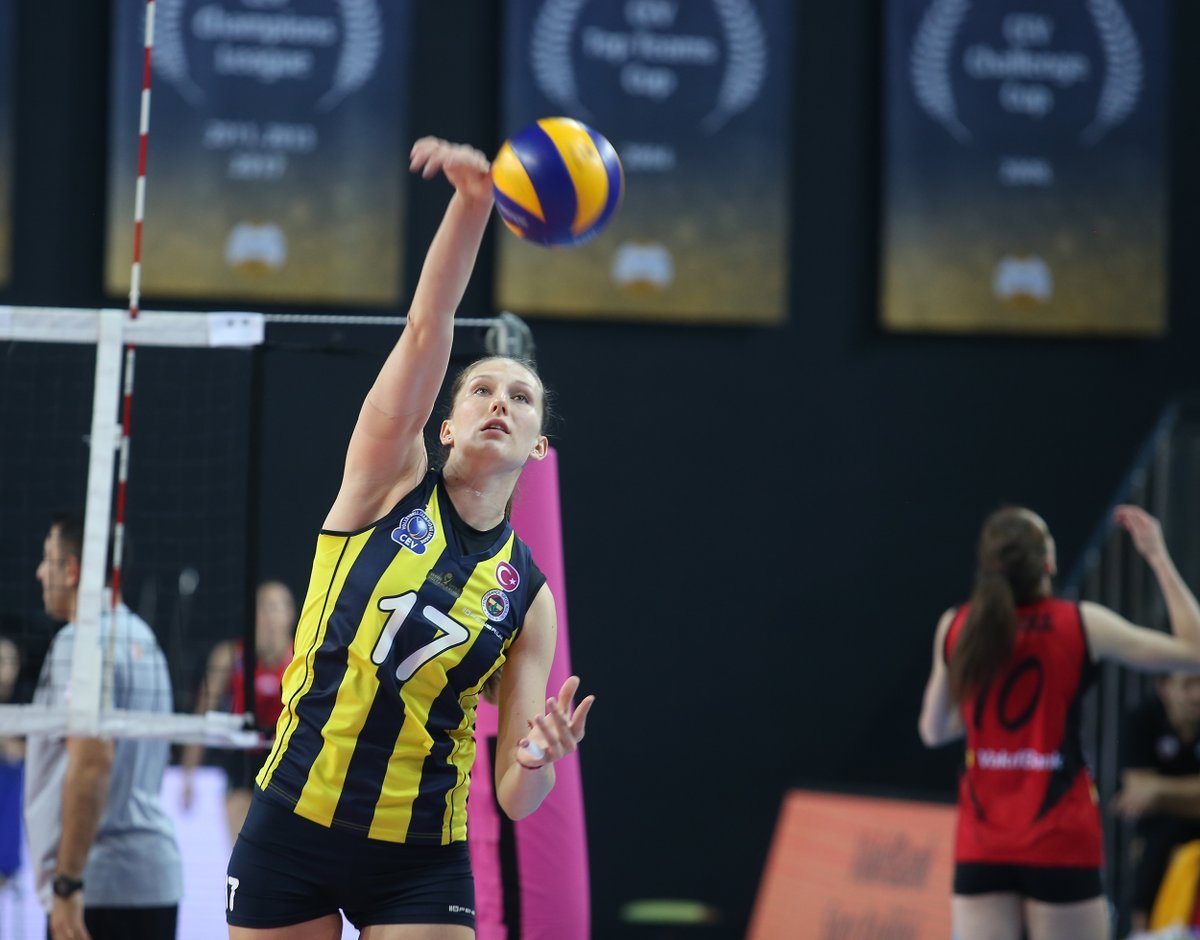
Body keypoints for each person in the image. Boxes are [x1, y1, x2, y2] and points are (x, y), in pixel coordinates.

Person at [226, 136, 595, 940]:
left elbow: (516, 797)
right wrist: (472, 205)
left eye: (521, 398)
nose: (500, 402)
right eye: (482, 390)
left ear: (538, 445)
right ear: (447, 424)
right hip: (295, 818)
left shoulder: (529, 597)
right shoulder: (387, 481)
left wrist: (539, 757)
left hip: (421, 854)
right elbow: (429, 328)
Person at [918, 504, 1200, 940]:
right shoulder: (1081, 624)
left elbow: (934, 730)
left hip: (983, 838)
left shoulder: (956, 625)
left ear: (988, 564)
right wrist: (1157, 556)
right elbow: (1194, 652)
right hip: (1059, 835)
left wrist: (989, 725)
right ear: (1048, 563)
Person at [25, 511, 181, 940]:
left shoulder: (79, 642)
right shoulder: (145, 639)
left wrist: (67, 882)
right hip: (153, 883)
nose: (39, 572)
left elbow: (92, 762)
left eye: (48, 560)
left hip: (95, 887)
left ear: (72, 570)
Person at [181, 580, 297, 843]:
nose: (268, 617)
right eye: (261, 608)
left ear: (290, 614)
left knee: (280, 846)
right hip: (242, 760)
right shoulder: (230, 656)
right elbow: (203, 714)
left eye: (275, 608)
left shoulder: (302, 658)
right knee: (242, 845)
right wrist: (188, 774)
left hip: (287, 760)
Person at [1114, 672, 1200, 933]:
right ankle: (1142, 929)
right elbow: (1136, 789)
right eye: (1188, 685)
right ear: (1164, 688)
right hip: (1158, 829)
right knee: (1157, 839)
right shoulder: (1142, 718)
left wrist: (1159, 792)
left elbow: (1146, 791)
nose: (1197, 695)